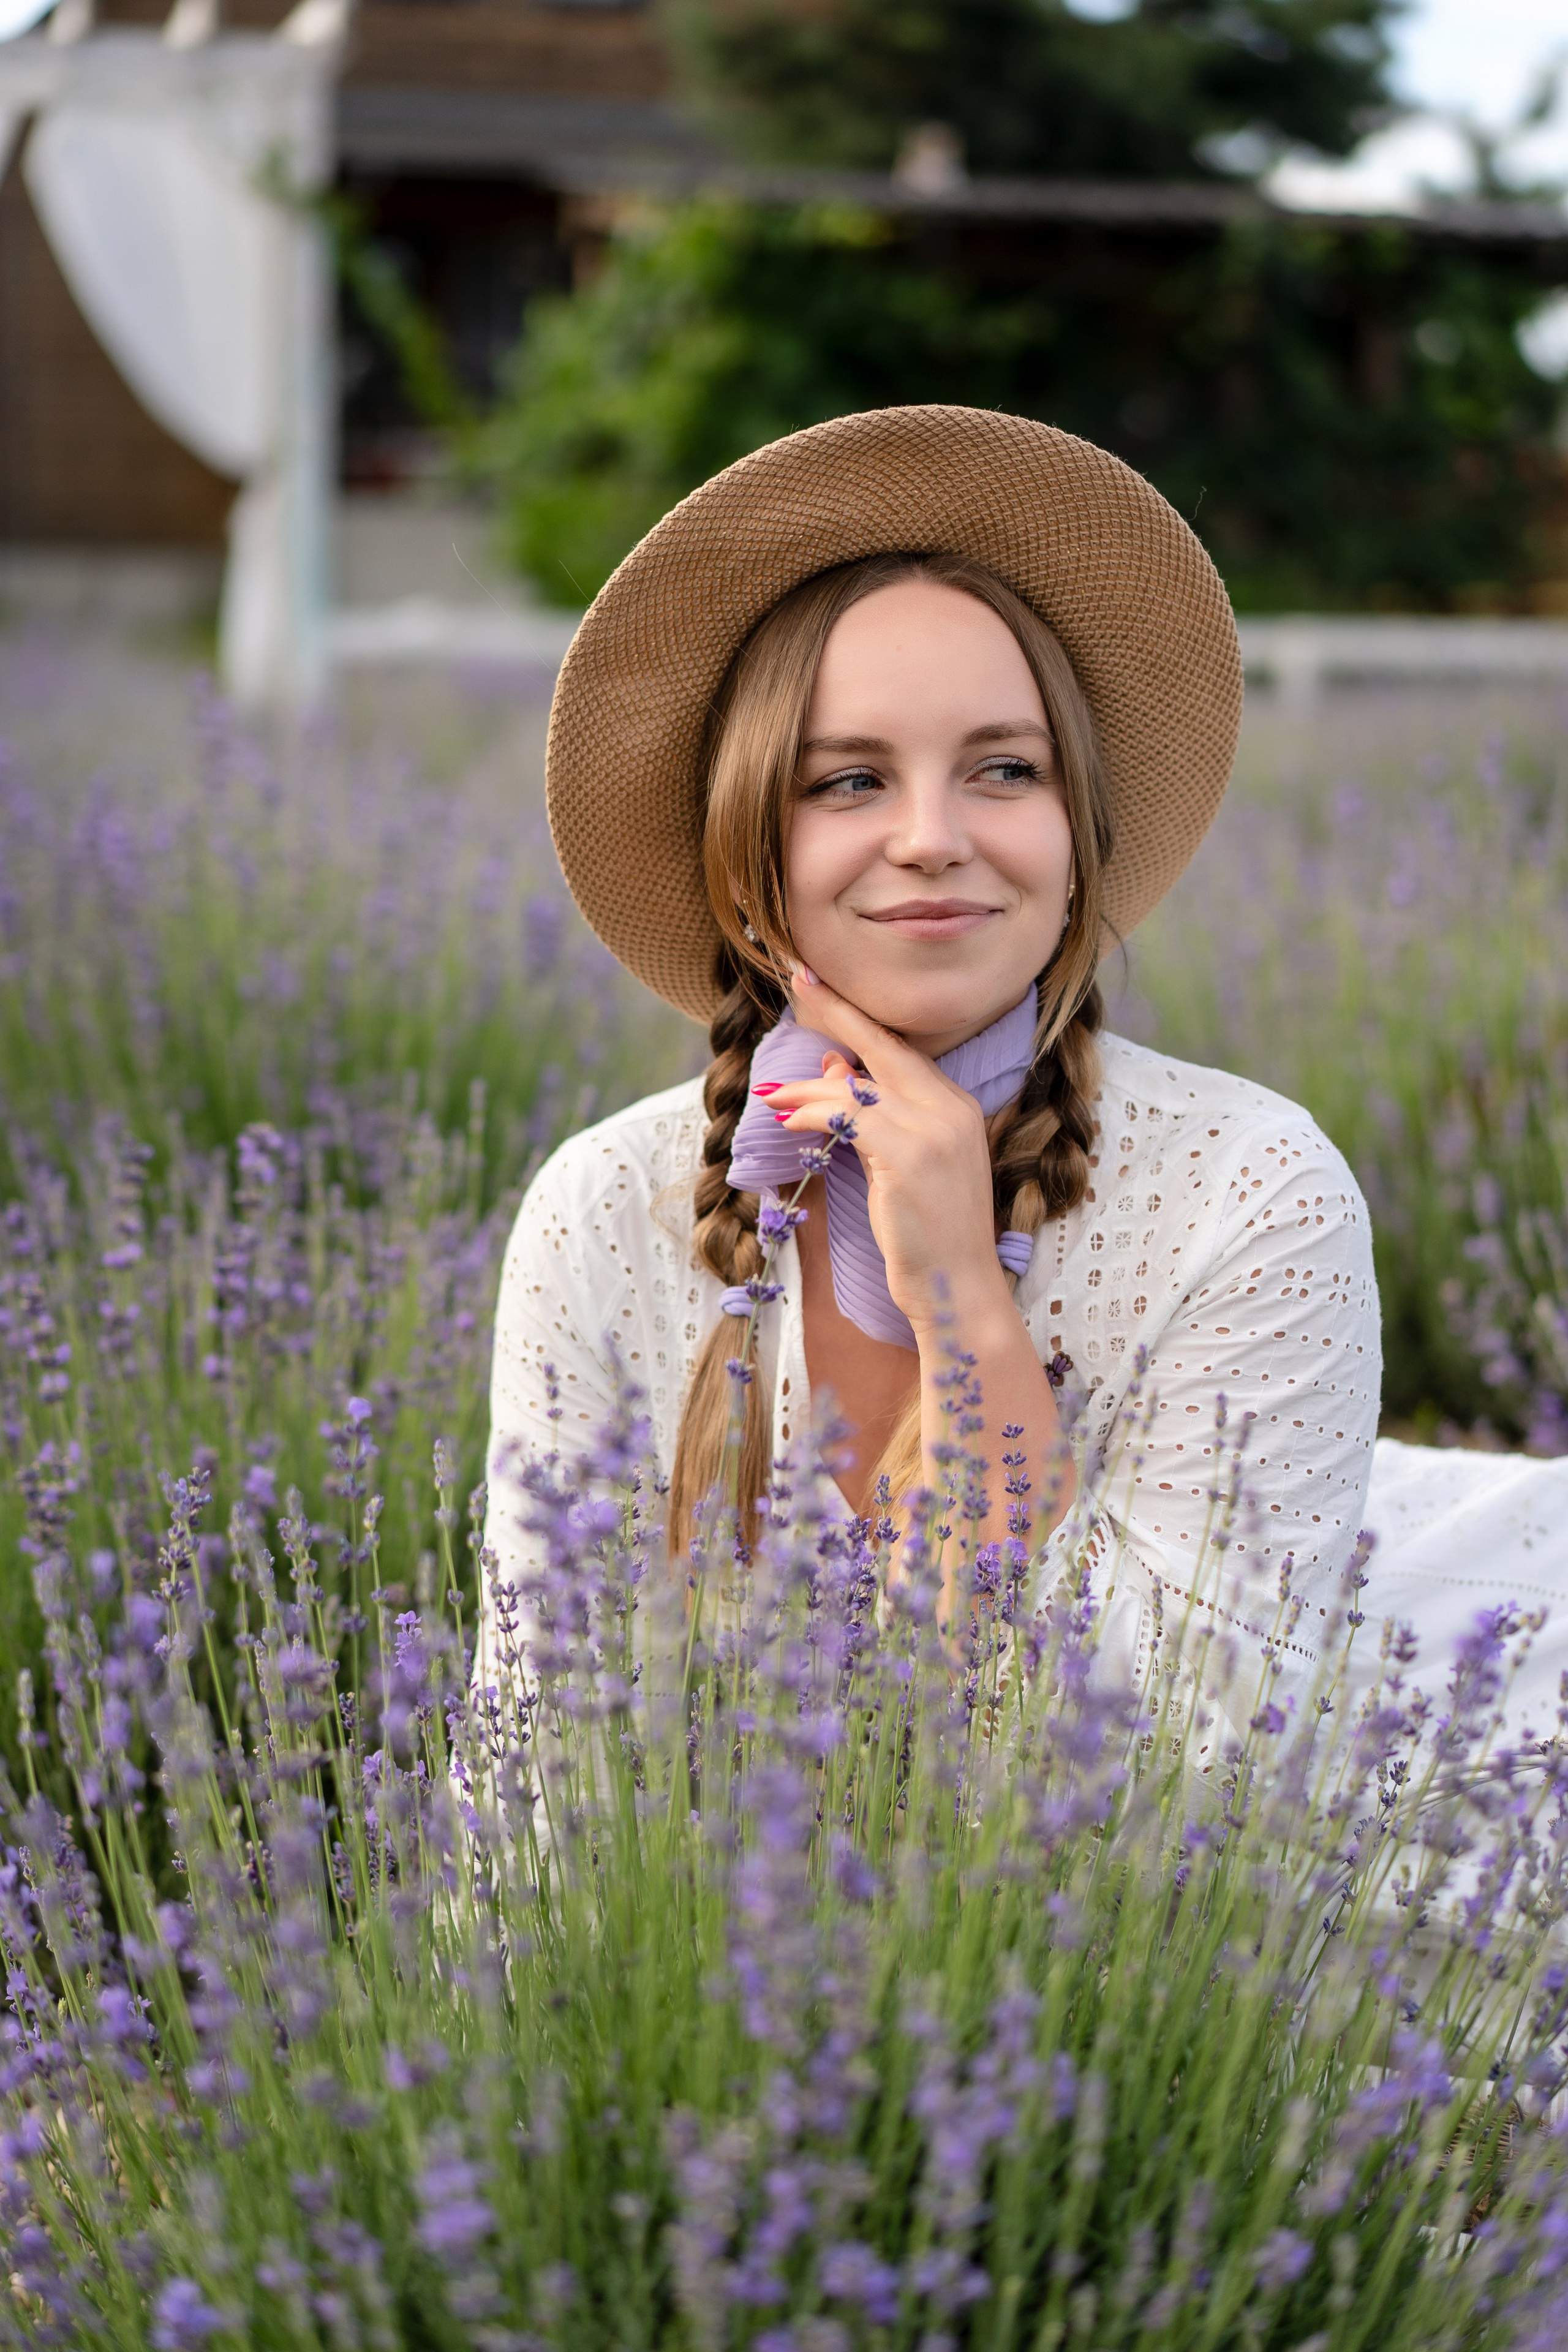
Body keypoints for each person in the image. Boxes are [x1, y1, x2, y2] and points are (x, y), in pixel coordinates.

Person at [483, 405, 1568, 1752]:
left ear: (1076, 837)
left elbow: (1190, 1768)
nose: (932, 838)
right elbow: (536, 1761)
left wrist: (959, 1297)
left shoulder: (1247, 1188)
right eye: (847, 781)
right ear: (744, 859)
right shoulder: (603, 1205)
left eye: (1004, 768)